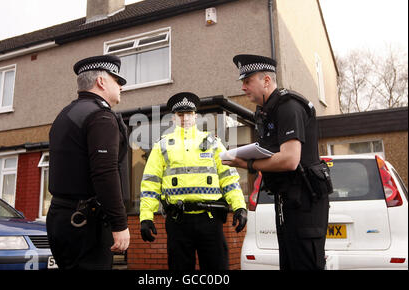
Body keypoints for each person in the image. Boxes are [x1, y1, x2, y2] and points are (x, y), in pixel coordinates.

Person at [224, 54, 332, 270]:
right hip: (288, 200)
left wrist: (247, 164)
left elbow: (290, 160)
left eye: (248, 81)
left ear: (266, 80)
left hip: (305, 202)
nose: (243, 87)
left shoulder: (288, 106)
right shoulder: (269, 111)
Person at [139, 92, 248, 271]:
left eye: (189, 114)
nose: (185, 118)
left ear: (195, 116)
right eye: (181, 115)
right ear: (174, 118)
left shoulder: (212, 143)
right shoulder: (162, 146)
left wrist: (239, 206)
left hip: (210, 219)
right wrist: (145, 217)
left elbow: (229, 178)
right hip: (178, 221)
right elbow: (150, 184)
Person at [47, 55, 130, 270]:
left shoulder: (65, 115)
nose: (121, 86)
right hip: (86, 222)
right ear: (101, 82)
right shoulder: (100, 116)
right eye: (117, 80)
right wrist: (119, 223)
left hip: (60, 217)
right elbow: (105, 172)